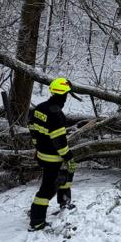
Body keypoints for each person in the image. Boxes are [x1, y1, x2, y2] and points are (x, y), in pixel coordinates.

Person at [27, 77, 76, 231]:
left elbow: (32, 131)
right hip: (53, 158)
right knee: (47, 189)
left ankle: (64, 202)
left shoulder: (39, 108)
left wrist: (37, 147)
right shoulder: (56, 115)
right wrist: (68, 157)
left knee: (65, 175)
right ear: (64, 95)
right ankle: (37, 221)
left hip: (42, 154)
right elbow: (60, 142)